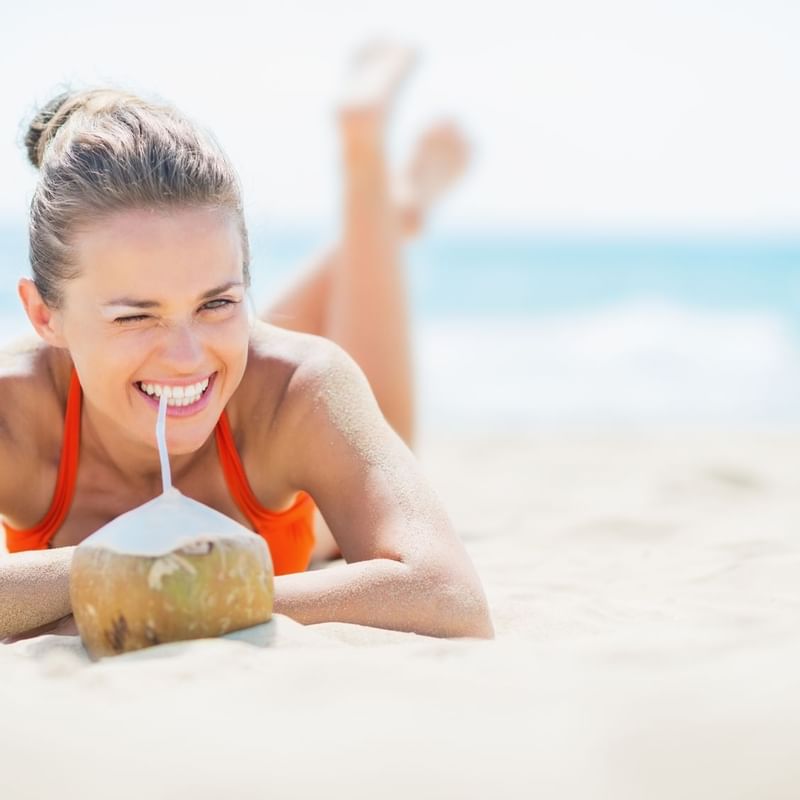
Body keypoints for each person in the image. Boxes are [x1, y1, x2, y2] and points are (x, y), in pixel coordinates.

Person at [0, 45, 494, 641]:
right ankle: (396, 210)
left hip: (301, 494)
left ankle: (371, 172)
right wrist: (134, 565)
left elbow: (449, 595)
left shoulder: (298, 386)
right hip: (273, 499)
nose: (185, 354)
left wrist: (152, 593)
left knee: (337, 410)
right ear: (44, 315)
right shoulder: (12, 412)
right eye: (135, 316)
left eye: (220, 302)